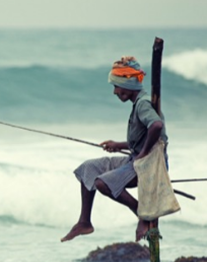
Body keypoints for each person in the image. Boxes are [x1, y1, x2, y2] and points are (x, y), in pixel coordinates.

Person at [60, 56, 168, 243]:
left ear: (128, 84)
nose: (115, 92)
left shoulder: (143, 103)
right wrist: (118, 145)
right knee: (89, 168)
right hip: (135, 160)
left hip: (148, 165)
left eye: (116, 86)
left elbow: (156, 126)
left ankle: (142, 213)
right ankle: (84, 222)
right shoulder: (139, 102)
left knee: (103, 183)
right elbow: (144, 138)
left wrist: (141, 156)